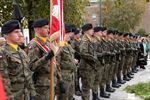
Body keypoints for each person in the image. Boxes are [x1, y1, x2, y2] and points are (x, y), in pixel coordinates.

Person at [0, 20, 36, 100]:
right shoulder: (3, 52)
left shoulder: (21, 52)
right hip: (14, 95)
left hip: (26, 94)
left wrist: (32, 93)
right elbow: (4, 80)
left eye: (20, 32)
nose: (20, 34)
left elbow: (28, 74)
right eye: (16, 32)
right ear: (6, 34)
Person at [27, 19, 54, 100]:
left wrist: (59, 79)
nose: (48, 30)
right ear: (37, 29)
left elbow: (54, 62)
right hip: (42, 85)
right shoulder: (34, 44)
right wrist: (46, 58)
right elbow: (32, 66)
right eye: (45, 28)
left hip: (51, 81)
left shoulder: (47, 43)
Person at [56, 24, 77, 100]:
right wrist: (60, 81)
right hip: (63, 77)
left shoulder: (68, 45)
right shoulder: (59, 46)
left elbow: (68, 58)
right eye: (67, 34)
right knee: (63, 98)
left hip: (70, 76)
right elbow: (56, 65)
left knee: (70, 97)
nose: (69, 36)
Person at [79, 23, 98, 100]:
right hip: (86, 67)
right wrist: (93, 58)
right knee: (86, 88)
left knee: (89, 86)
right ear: (86, 31)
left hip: (90, 67)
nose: (93, 31)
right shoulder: (85, 40)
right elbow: (83, 53)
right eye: (91, 29)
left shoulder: (90, 39)